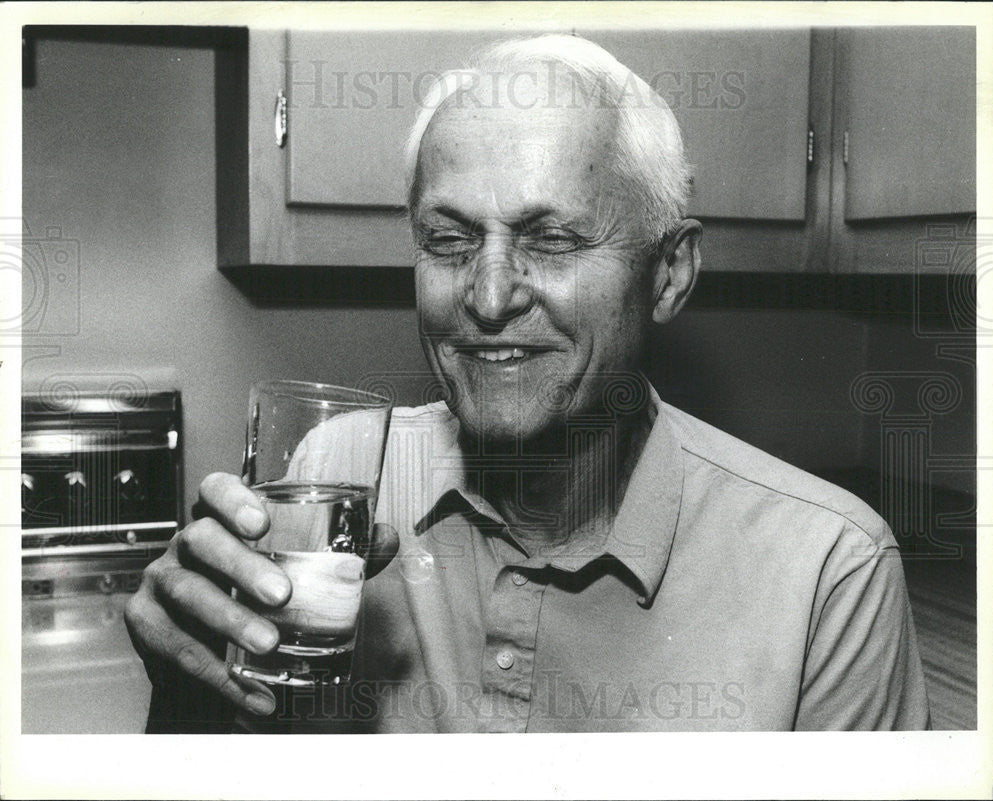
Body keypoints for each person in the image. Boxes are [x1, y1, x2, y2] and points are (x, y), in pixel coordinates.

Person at [125, 34, 930, 732]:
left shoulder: (828, 572)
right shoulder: (339, 475)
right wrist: (191, 693)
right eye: (448, 239)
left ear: (670, 273)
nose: (487, 295)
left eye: (551, 239)